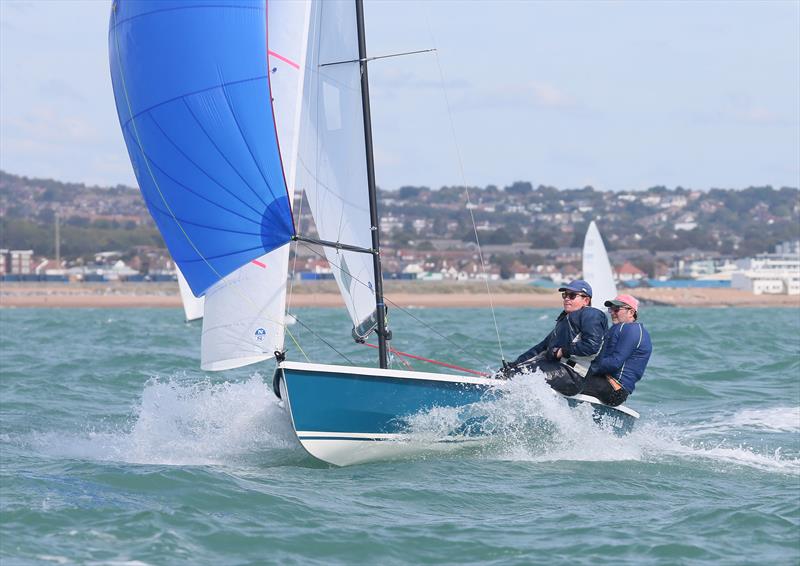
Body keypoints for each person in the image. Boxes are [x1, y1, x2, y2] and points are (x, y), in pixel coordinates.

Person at [501, 279, 608, 396]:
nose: (567, 298)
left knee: (521, 375)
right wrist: (514, 365)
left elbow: (592, 346)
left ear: (586, 300)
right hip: (559, 369)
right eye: (565, 295)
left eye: (572, 295)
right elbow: (540, 349)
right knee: (510, 372)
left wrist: (563, 351)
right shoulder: (565, 321)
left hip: (573, 376)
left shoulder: (592, 314)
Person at [581, 294, 652, 407]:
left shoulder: (632, 330)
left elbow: (614, 362)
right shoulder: (618, 328)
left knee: (567, 381)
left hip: (615, 390)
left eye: (617, 309)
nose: (612, 312)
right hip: (604, 383)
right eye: (611, 309)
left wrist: (583, 366)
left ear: (631, 312)